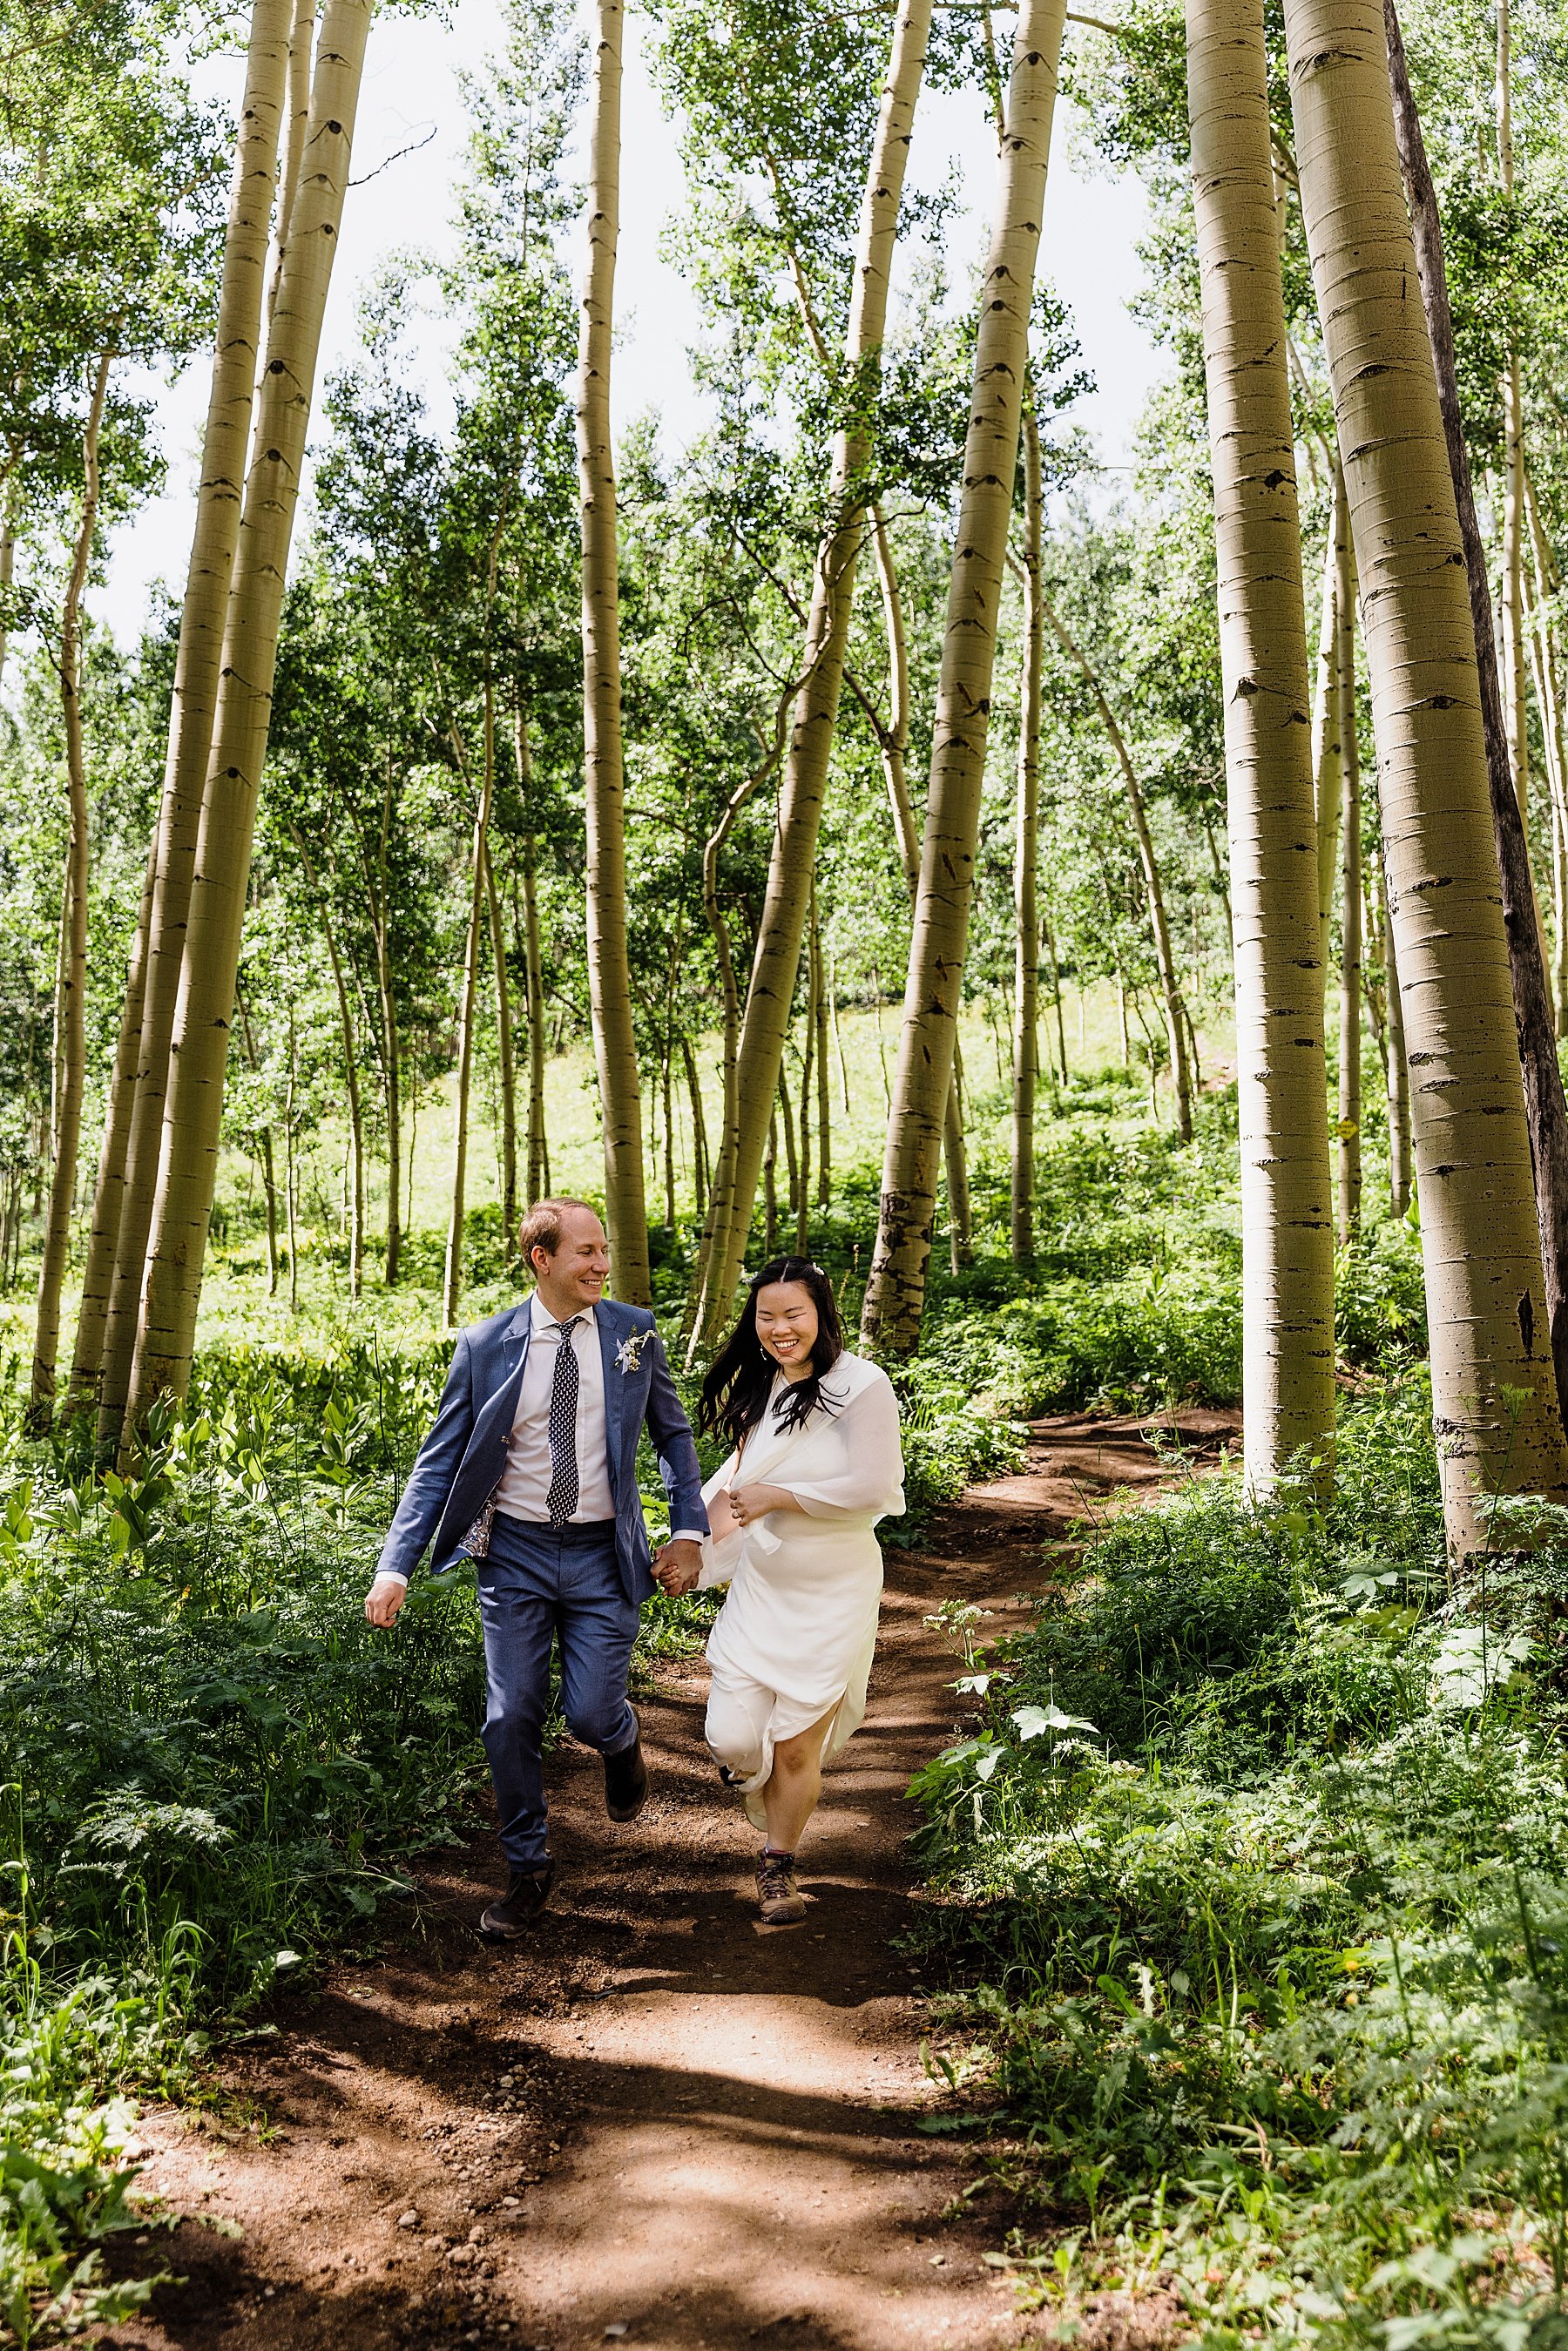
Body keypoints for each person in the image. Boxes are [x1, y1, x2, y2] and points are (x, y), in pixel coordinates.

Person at [364, 1199, 707, 1939]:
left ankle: (620, 1737)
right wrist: (395, 1567)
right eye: (585, 1251)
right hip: (513, 1551)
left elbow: (674, 1438)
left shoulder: (634, 1334)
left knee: (586, 1713)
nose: (602, 1264)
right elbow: (437, 1464)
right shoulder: (486, 1344)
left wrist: (688, 1531)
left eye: (605, 1249)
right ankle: (527, 1867)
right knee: (508, 1714)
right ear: (541, 1260)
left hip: (602, 1552)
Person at [696, 1257, 904, 1926]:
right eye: (767, 1316)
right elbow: (734, 1496)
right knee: (731, 1739)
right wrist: (681, 1554)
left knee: (795, 1746)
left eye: (794, 1314)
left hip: (837, 1589)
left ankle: (777, 1864)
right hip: (763, 1588)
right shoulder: (761, 1391)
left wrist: (779, 1496)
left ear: (821, 1314)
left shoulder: (861, 1385)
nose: (781, 1329)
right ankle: (753, 1777)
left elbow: (876, 1487)